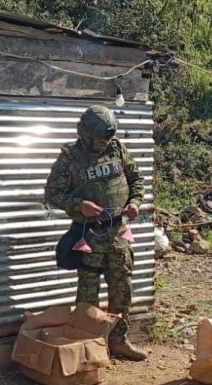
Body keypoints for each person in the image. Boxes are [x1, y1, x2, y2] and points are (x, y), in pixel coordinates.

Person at [45, 104, 148, 361]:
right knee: (88, 295)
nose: (104, 143)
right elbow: (52, 194)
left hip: (118, 231)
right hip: (88, 235)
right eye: (100, 138)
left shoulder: (117, 149)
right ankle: (88, 347)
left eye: (108, 137)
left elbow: (136, 179)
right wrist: (79, 205)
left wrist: (135, 202)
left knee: (122, 288)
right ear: (85, 134)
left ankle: (118, 340)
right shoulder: (70, 158)